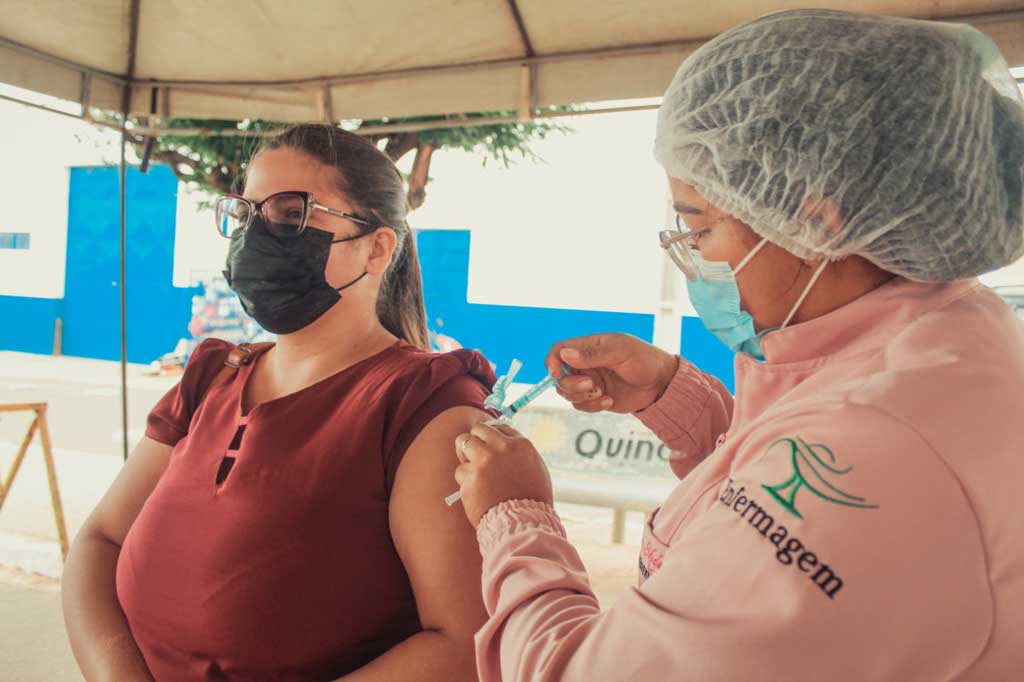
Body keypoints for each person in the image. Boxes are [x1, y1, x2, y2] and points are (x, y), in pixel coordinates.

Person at [452, 10, 1024, 681]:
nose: (692, 258)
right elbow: (784, 475)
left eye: (700, 229)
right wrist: (676, 397)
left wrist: (514, 515)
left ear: (814, 219)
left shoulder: (880, 443)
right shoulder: (944, 334)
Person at [63, 124, 493, 681]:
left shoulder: (425, 404)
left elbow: (462, 643)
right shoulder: (211, 376)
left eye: (292, 215)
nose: (256, 236)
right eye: (246, 214)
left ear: (377, 248)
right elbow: (99, 542)